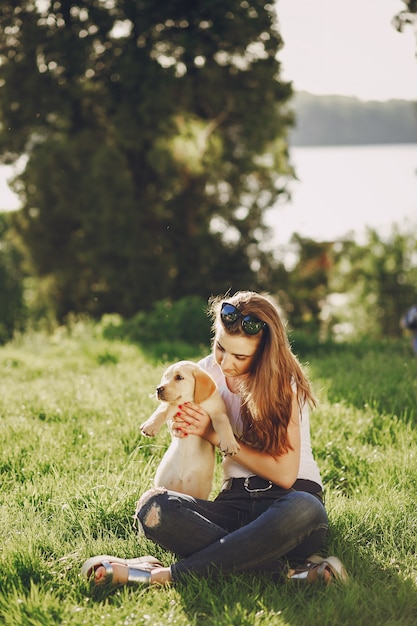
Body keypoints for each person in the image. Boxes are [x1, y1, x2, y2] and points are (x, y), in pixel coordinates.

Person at [81, 291, 347, 587]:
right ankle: (285, 573)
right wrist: (183, 427)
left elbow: (285, 475)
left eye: (240, 356)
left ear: (263, 354)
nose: (225, 363)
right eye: (220, 347)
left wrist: (211, 433)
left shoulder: (284, 384)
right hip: (233, 502)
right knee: (154, 508)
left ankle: (163, 575)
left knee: (305, 507)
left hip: (287, 506)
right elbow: (177, 414)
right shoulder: (203, 372)